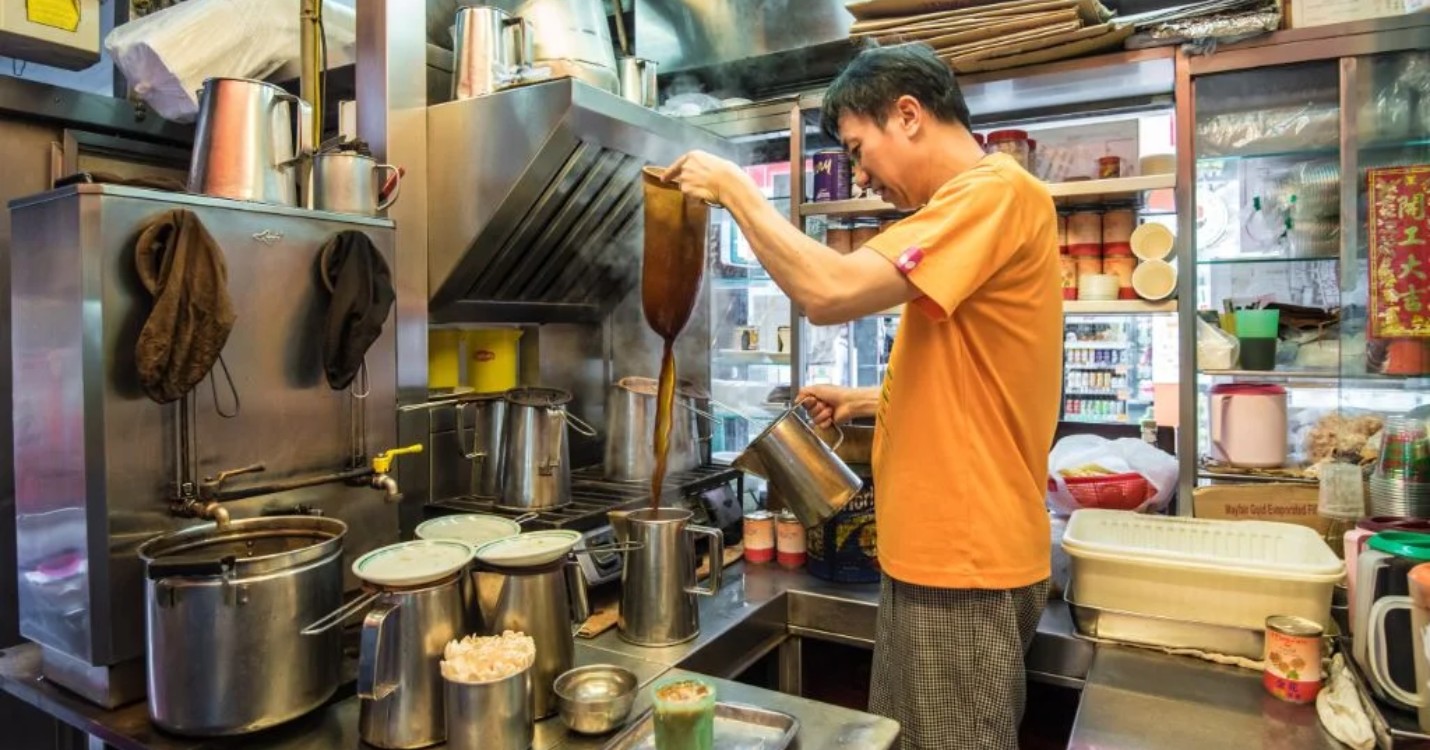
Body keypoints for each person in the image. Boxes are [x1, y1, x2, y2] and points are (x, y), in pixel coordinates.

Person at [660, 42, 1062, 750]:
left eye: (858, 147)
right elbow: (978, 371)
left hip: (965, 560)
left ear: (908, 115)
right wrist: (861, 399)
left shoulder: (994, 191)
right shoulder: (965, 210)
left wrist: (736, 188)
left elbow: (830, 291)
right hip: (934, 554)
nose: (863, 172)